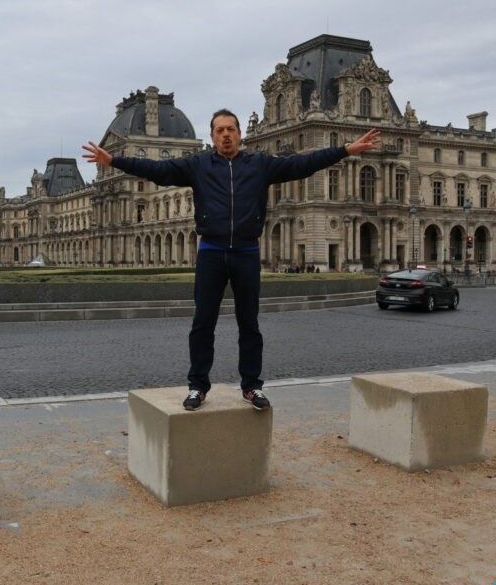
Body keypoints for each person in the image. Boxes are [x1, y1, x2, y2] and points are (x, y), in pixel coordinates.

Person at [83, 110, 379, 411]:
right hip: (211, 251)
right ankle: (198, 386)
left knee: (249, 323)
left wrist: (345, 150)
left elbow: (302, 164)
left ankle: (251, 387)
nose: (226, 134)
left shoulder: (259, 164)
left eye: (231, 129)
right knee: (203, 323)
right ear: (212, 136)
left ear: (239, 134)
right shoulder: (197, 165)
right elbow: (158, 170)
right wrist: (114, 161)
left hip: (247, 253)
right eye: (220, 130)